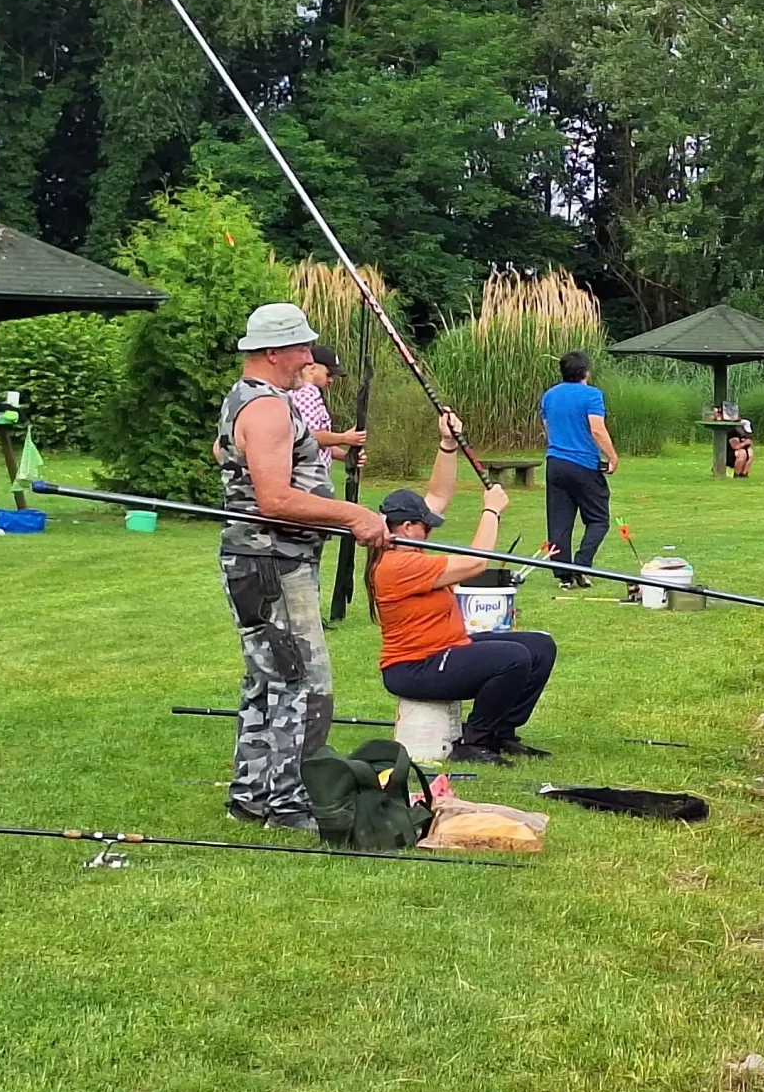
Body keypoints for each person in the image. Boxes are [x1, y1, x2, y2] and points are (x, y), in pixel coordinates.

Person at [217, 302, 395, 831]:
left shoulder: (244, 401)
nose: (308, 357)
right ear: (273, 352)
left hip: (255, 559)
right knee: (304, 686)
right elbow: (273, 498)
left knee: (265, 683)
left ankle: (249, 797)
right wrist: (352, 513)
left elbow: (223, 452)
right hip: (275, 563)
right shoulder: (269, 408)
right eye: (300, 348)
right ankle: (290, 807)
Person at [371, 413, 559, 765]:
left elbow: (438, 495)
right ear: (409, 527)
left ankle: (502, 732)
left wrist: (447, 444)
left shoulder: (406, 542)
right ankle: (473, 741)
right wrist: (491, 511)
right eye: (425, 526)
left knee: (539, 647)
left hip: (445, 647)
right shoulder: (398, 564)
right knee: (512, 659)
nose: (430, 530)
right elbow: (476, 563)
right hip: (414, 667)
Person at [540, 349, 617, 584]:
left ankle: (564, 574)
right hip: (583, 463)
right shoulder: (591, 395)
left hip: (555, 462)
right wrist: (612, 456)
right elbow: (596, 429)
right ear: (586, 371)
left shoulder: (550, 395)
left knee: (559, 521)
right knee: (598, 519)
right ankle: (581, 566)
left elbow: (548, 428)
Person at [289, 342, 367, 463]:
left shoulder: (310, 393)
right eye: (328, 374)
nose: (330, 380)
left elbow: (319, 444)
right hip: (307, 477)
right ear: (312, 368)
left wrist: (346, 456)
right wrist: (344, 438)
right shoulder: (305, 394)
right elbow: (309, 435)